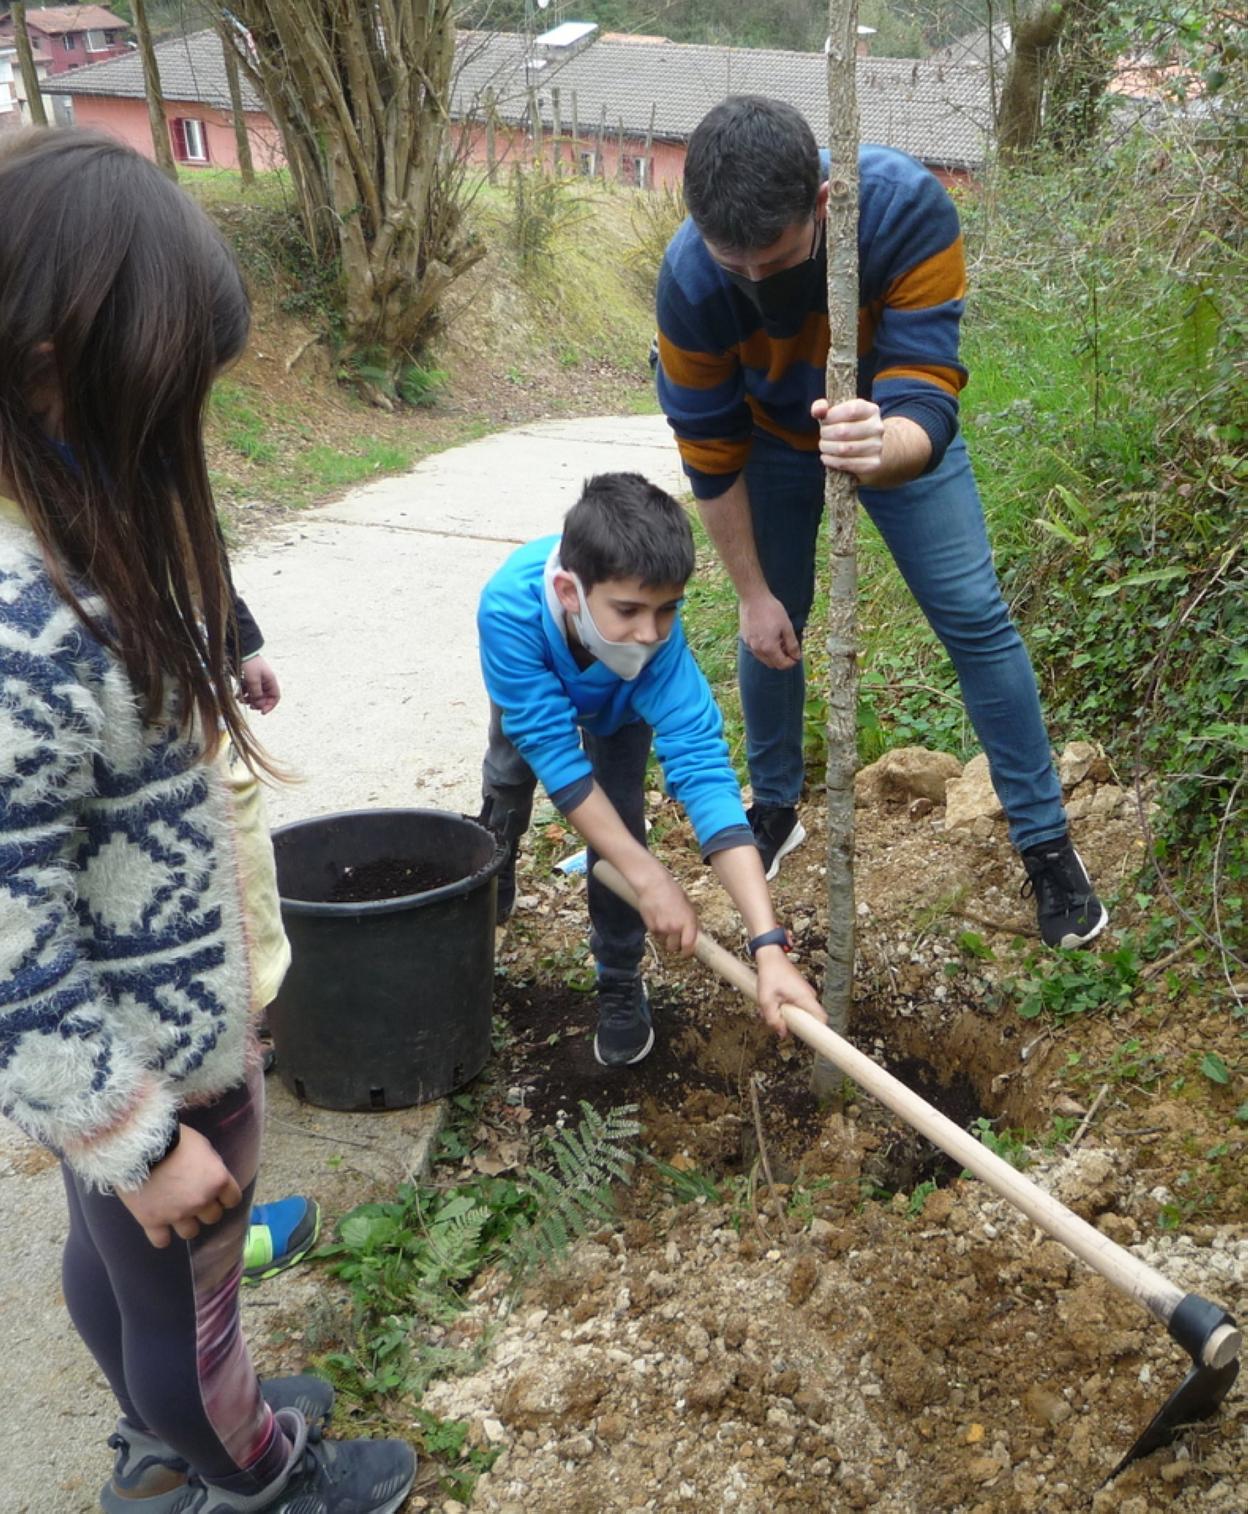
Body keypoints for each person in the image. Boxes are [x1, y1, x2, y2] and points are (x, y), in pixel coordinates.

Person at [0, 130, 414, 1513]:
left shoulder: (56, 472)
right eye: (167, 399)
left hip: (141, 1035)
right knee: (194, 1320)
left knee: (118, 1267)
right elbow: (8, 941)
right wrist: (139, 1138)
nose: (182, 434)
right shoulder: (23, 635)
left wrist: (214, 640)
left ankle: (166, 1409)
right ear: (63, 362)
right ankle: (253, 1469)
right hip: (153, 1064)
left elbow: (143, 532)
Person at [655, 96, 1108, 950]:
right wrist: (750, 595)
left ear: (825, 204)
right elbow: (710, 455)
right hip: (768, 446)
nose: (754, 280)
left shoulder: (905, 212)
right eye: (732, 262)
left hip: (893, 433)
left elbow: (928, 396)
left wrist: (883, 441)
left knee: (976, 618)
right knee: (773, 625)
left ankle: (1045, 842)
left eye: (775, 258)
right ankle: (777, 807)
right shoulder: (689, 279)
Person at [477, 471, 827, 1066]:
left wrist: (768, 945)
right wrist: (651, 879)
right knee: (511, 775)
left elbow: (707, 775)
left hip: (618, 713)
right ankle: (495, 860)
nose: (648, 633)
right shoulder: (507, 611)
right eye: (629, 610)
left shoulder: (654, 648)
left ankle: (617, 973)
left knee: (619, 824)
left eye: (668, 610)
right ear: (569, 592)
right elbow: (558, 759)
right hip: (533, 681)